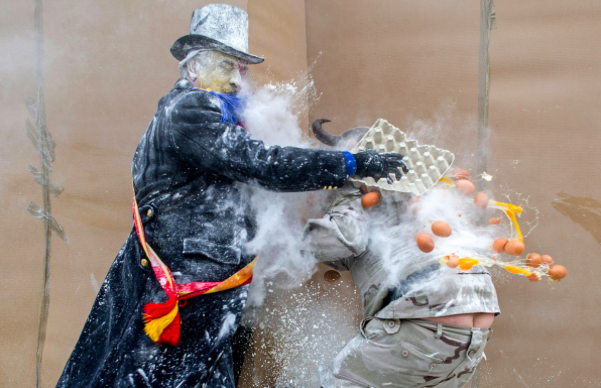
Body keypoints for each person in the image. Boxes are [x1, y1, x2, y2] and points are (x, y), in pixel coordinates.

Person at [55, 5, 409, 388]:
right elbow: (263, 164)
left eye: (242, 68)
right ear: (193, 68)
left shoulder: (210, 113)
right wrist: (349, 163)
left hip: (207, 282)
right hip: (186, 289)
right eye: (226, 65)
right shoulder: (191, 109)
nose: (238, 78)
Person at [304, 120, 500, 388]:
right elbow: (356, 254)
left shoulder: (358, 191)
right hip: (477, 314)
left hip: (427, 314)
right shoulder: (421, 190)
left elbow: (339, 241)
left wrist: (288, 235)